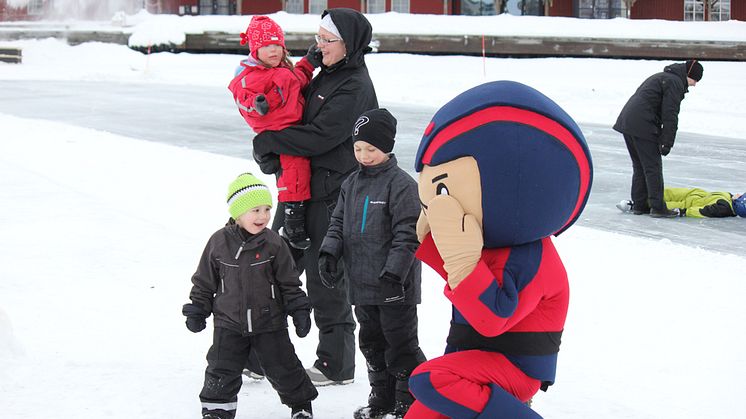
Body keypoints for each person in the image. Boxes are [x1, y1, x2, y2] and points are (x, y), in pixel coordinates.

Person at [408, 81, 593, 418]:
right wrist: (436, 240)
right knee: (421, 411)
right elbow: (461, 281)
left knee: (429, 380)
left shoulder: (532, 257)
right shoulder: (489, 244)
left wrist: (461, 258)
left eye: (443, 190)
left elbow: (491, 318)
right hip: (472, 362)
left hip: (515, 368)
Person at [251, 8, 378, 386]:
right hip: (299, 192)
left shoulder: (355, 85)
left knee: (325, 278)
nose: (317, 46)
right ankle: (259, 352)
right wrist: (271, 146)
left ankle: (335, 363)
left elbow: (321, 135)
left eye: (327, 40)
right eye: (318, 37)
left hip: (331, 196)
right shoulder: (327, 73)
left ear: (349, 44)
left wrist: (270, 141)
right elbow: (293, 118)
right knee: (269, 266)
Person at [317, 109, 426, 419]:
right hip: (361, 285)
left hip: (394, 286)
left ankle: (409, 403)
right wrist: (328, 253)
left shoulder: (402, 185)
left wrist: (394, 272)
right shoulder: (351, 184)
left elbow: (408, 234)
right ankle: (381, 399)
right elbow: (338, 222)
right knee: (372, 343)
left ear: (387, 147)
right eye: (357, 149)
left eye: (370, 149)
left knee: (400, 345)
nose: (363, 155)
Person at [182, 173, 318, 419]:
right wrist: (198, 309)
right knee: (221, 368)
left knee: (283, 367)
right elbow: (204, 280)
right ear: (238, 212)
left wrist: (299, 309)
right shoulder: (218, 243)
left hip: (269, 322)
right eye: (255, 210)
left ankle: (301, 406)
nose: (263, 216)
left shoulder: (274, 243)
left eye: (267, 209)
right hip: (229, 322)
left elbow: (289, 282)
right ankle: (216, 409)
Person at [228, 15, 322, 251]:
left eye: (277, 45)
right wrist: (256, 103)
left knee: (296, 169)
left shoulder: (282, 71)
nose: (274, 50)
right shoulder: (251, 76)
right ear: (255, 49)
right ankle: (292, 218)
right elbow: (242, 97)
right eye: (267, 46)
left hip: (291, 127)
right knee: (294, 170)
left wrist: (309, 63)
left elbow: (297, 80)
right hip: (277, 129)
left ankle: (293, 211)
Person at [613, 59, 704, 218]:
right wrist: (666, 143)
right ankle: (658, 208)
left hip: (628, 122)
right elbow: (670, 114)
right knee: (652, 167)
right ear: (688, 74)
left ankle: (640, 205)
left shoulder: (663, 76)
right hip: (643, 124)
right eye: (695, 79)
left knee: (640, 166)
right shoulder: (674, 82)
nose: (695, 84)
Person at [617, 187, 746, 218]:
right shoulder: (728, 197)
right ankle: (642, 196)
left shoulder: (724, 208)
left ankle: (636, 205)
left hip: (690, 203)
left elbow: (702, 212)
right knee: (666, 191)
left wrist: (684, 212)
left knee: (665, 204)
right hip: (696, 193)